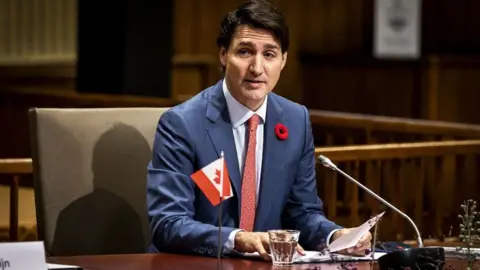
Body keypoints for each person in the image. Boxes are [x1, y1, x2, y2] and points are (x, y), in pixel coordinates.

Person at [146, 0, 372, 260]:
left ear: (283, 61)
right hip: (196, 264)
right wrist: (239, 239)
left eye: (269, 54)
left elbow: (303, 213)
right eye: (244, 52)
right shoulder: (182, 124)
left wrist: (335, 235)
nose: (257, 68)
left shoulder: (296, 120)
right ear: (223, 55)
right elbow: (168, 223)